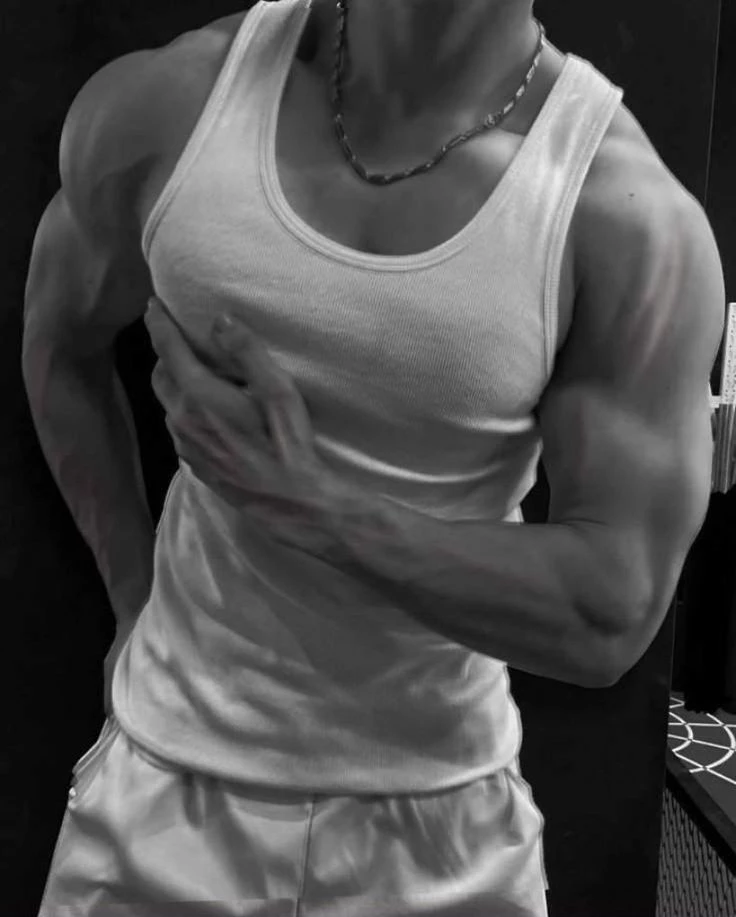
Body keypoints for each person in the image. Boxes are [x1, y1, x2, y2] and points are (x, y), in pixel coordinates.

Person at [22, 0, 725, 914]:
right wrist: (131, 600)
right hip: (162, 784)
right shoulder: (173, 106)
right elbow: (58, 342)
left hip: (440, 829)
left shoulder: (621, 218)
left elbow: (608, 613)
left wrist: (318, 509)